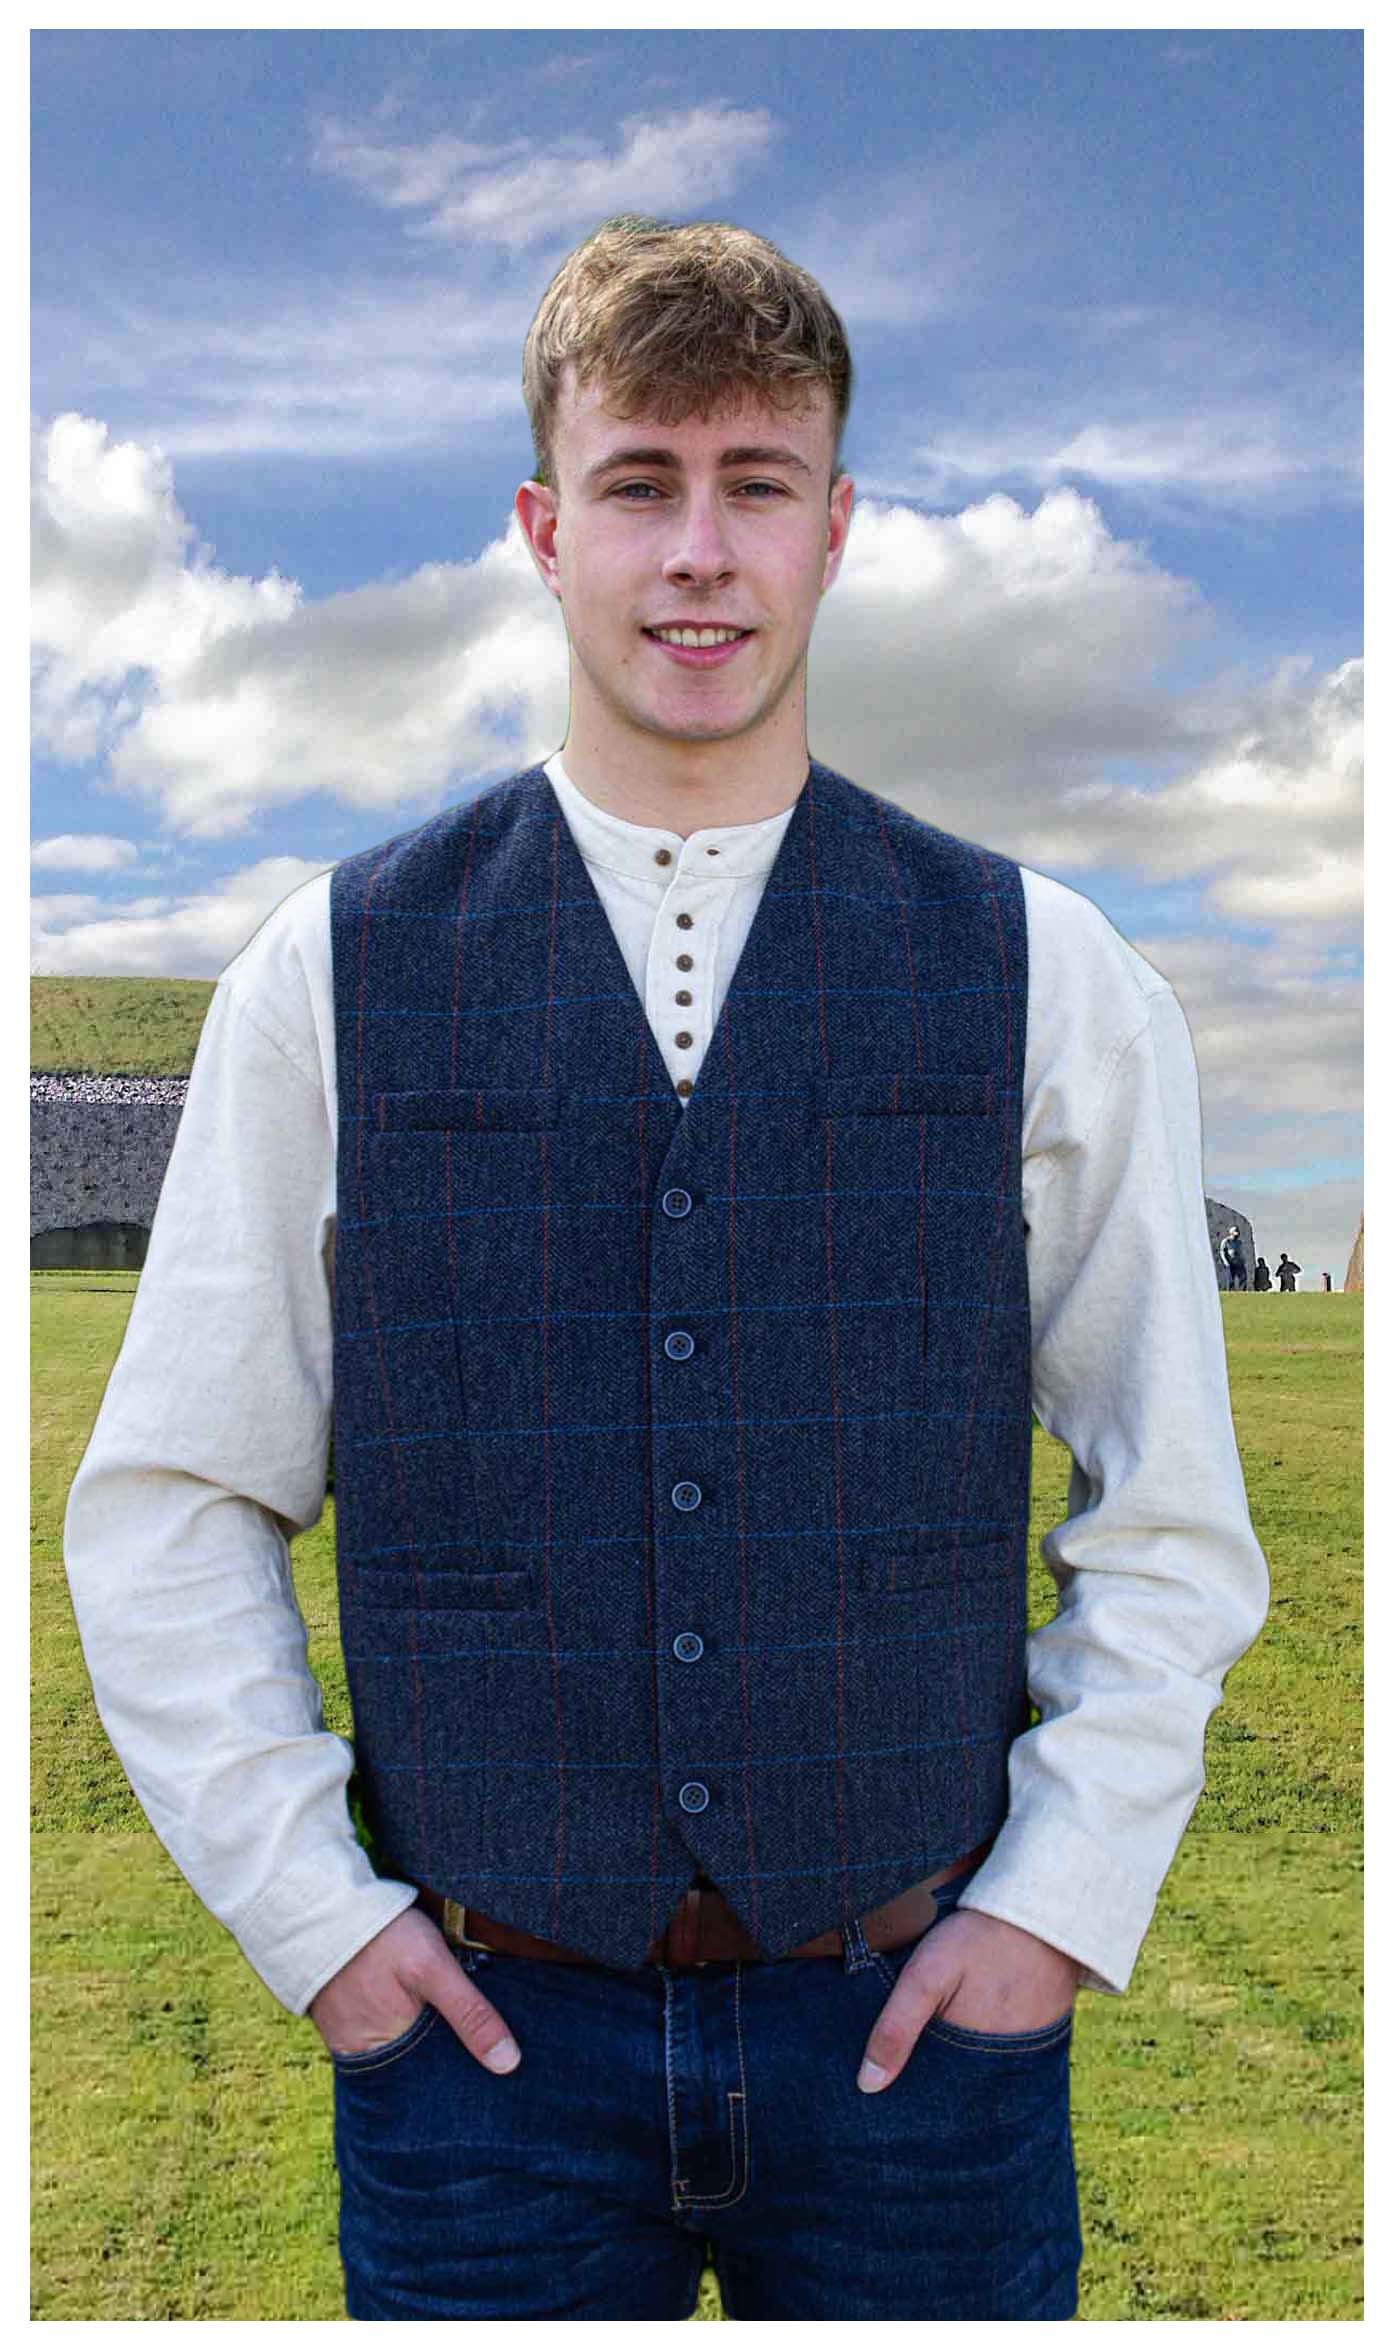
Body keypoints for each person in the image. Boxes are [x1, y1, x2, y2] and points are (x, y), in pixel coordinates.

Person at [62, 215, 1269, 2322]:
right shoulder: (326, 973)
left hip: (914, 2036)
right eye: (639, 483)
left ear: (834, 527)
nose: (697, 552)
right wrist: (323, 1929)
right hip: (483, 2062)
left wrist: (1054, 1901)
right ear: (546, 528)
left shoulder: (1049, 972)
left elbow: (1164, 1508)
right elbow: (172, 1500)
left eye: (753, 484)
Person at [1220, 1225, 1247, 1290]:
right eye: (1236, 1232)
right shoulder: (1226, 1241)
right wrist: (1225, 1261)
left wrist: (1243, 1260)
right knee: (1230, 1279)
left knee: (1243, 1277)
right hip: (1230, 1263)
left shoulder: (1239, 1242)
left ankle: (1242, 1292)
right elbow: (1222, 1252)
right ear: (1231, 1233)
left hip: (1239, 1262)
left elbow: (1241, 1251)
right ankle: (1230, 1292)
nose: (1237, 1234)